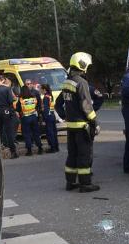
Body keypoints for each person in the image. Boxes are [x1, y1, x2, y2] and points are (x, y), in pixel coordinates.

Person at [55, 52, 100, 193]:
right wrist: (95, 122)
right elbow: (86, 105)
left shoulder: (67, 82)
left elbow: (58, 104)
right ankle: (85, 184)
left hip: (71, 127)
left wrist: (65, 115)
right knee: (84, 155)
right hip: (82, 126)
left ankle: (70, 182)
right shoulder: (81, 82)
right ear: (83, 65)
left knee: (72, 155)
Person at [0, 75, 19, 159]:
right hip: (6, 110)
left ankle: (2, 146)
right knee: (8, 130)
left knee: (0, 129)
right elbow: (10, 101)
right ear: (3, 81)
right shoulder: (7, 89)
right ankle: (13, 151)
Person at [17, 85, 44, 156]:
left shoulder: (21, 100)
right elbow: (38, 106)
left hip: (25, 118)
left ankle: (29, 151)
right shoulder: (33, 98)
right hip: (34, 117)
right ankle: (40, 148)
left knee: (27, 134)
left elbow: (18, 109)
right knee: (36, 133)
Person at [40, 84, 59, 153]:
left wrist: (44, 119)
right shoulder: (50, 96)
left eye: (41, 89)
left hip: (48, 116)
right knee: (54, 132)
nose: (40, 90)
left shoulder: (45, 97)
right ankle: (56, 147)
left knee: (49, 133)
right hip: (52, 115)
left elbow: (45, 109)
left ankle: (53, 148)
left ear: (44, 90)